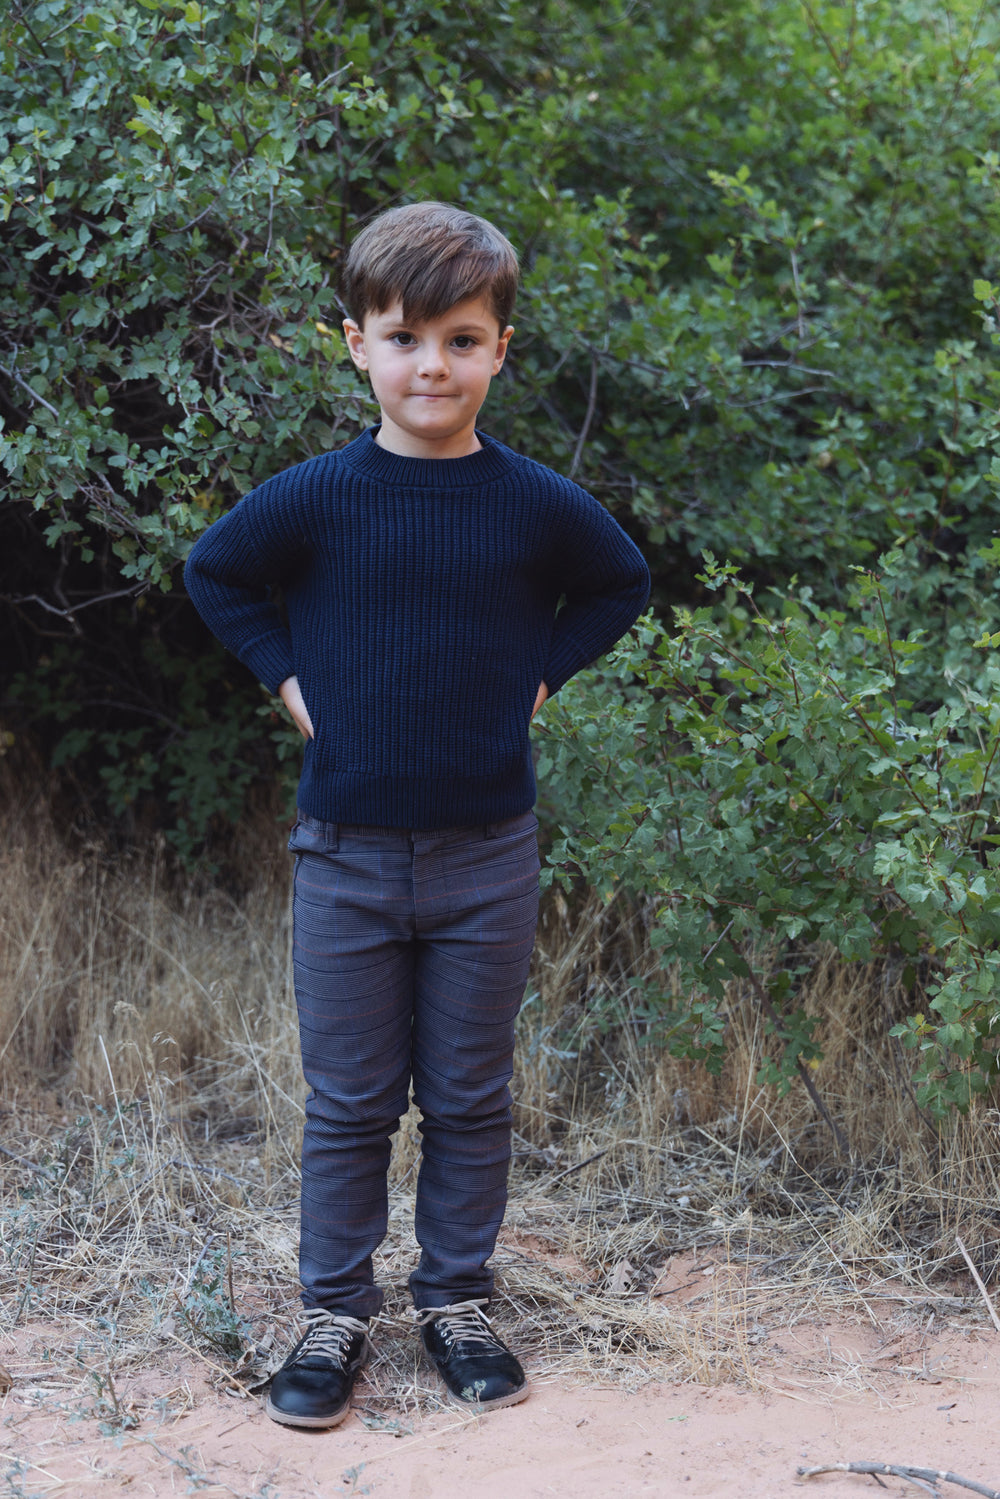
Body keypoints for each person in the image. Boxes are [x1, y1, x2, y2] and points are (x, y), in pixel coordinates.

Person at [183, 201, 650, 1430]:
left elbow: (621, 581)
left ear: (499, 349)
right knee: (348, 1103)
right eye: (403, 338)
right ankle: (334, 1312)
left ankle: (454, 1298)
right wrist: (289, 684)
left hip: (487, 855)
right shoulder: (318, 495)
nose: (430, 365)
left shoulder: (532, 502)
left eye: (460, 339)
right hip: (342, 856)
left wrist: (541, 675)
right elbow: (213, 571)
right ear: (358, 346)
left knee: (468, 1096)